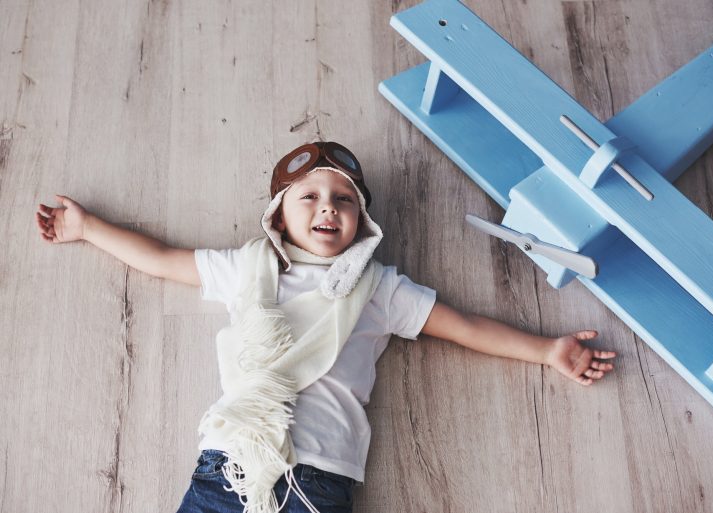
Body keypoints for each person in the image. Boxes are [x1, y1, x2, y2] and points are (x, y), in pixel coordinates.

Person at [35, 141, 616, 513]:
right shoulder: (247, 269)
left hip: (319, 476)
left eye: (344, 199)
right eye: (308, 196)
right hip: (230, 463)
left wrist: (546, 351)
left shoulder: (379, 287)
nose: (327, 207)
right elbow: (163, 258)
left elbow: (463, 326)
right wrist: (88, 229)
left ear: (361, 221)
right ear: (278, 217)